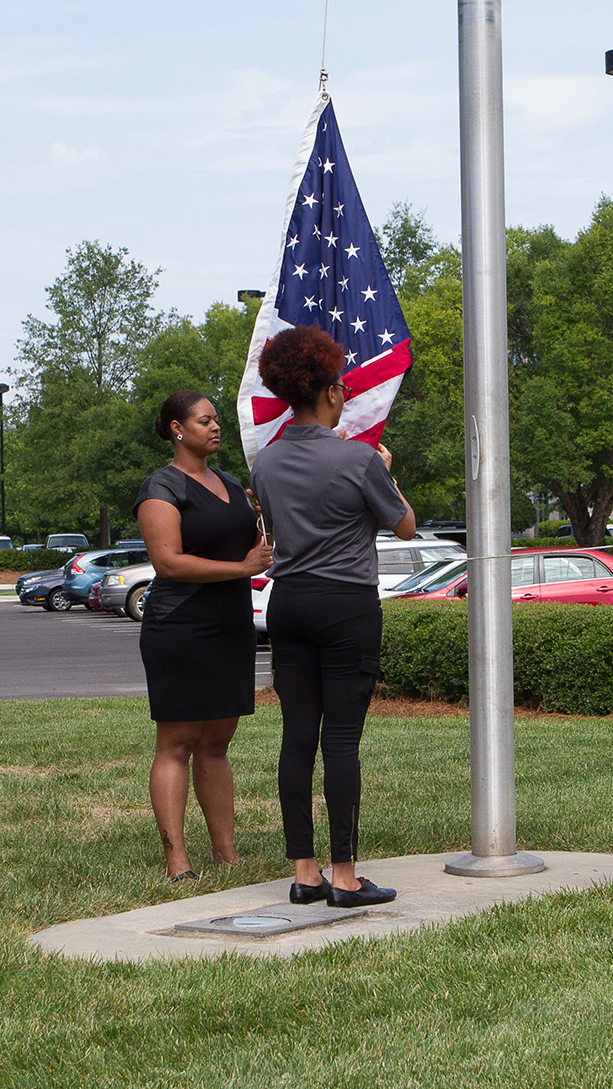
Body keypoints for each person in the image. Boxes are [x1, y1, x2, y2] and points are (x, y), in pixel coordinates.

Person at [249, 325, 415, 908]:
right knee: (341, 741)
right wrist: (384, 471)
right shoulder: (360, 458)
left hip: (288, 602)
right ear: (331, 393)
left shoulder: (264, 465)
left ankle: (305, 872)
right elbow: (405, 526)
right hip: (345, 604)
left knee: (297, 737)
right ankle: (345, 877)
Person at [133, 390, 274, 881]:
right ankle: (177, 859)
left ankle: (226, 853)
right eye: (204, 420)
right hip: (181, 626)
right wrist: (241, 567)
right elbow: (168, 562)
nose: (215, 427)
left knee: (217, 743)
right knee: (177, 741)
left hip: (231, 625)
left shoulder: (232, 483)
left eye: (216, 420)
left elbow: (255, 542)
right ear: (177, 428)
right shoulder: (161, 487)